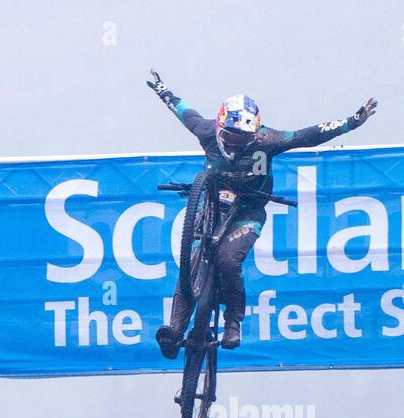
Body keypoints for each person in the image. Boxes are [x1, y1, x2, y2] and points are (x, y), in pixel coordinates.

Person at [146, 71, 376, 354]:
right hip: (212, 205)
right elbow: (184, 112)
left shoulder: (267, 140)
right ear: (218, 128)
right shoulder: (205, 131)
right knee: (191, 260)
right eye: (230, 137)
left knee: (228, 260)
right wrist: (163, 90)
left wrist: (352, 122)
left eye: (243, 140)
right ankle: (175, 330)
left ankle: (233, 321)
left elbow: (308, 136)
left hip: (248, 211)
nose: (235, 145)